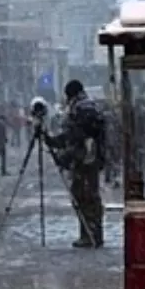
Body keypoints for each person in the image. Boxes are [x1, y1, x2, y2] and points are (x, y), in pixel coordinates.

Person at [43, 80, 106, 249]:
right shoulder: (88, 106)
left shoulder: (81, 108)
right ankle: (92, 233)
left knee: (84, 197)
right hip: (89, 159)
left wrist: (62, 151)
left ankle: (90, 234)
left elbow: (75, 137)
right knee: (87, 196)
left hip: (85, 160)